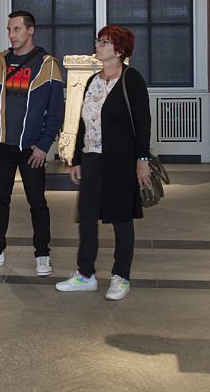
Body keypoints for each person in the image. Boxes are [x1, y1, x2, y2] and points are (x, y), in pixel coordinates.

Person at [56, 25, 151, 299]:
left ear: (119, 50)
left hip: (121, 161)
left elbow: (143, 123)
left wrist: (142, 159)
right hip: (91, 158)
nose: (97, 45)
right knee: (87, 218)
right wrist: (76, 159)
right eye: (98, 40)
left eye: (104, 42)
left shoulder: (131, 79)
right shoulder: (92, 80)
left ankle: (121, 277)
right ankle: (85, 275)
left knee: (121, 218)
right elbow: (83, 123)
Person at [0, 11, 64, 276]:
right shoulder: (0, 61)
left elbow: (56, 112)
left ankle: (42, 255)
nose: (11, 35)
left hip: (31, 148)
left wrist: (44, 146)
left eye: (17, 29)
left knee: (37, 202)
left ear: (31, 31)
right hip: (0, 146)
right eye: (9, 30)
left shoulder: (47, 64)